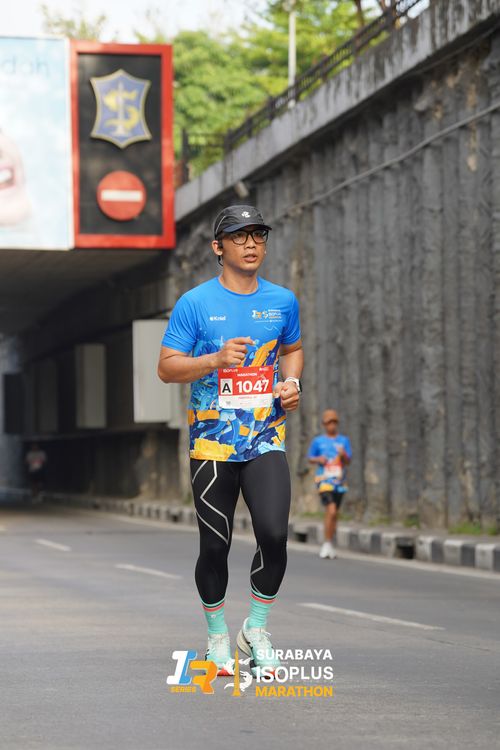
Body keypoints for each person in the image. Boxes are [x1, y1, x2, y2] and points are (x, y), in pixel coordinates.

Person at [158, 204, 303, 678]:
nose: (251, 244)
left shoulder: (283, 301)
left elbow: (293, 350)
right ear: (218, 247)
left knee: (275, 536)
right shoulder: (195, 303)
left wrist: (292, 383)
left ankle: (255, 630)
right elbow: (167, 367)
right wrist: (215, 360)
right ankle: (218, 636)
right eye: (239, 236)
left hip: (265, 437)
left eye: (258, 235)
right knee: (215, 545)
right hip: (212, 444)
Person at [308, 409, 352, 559]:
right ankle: (326, 543)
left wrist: (343, 454)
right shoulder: (318, 441)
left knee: (334, 514)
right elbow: (310, 458)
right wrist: (319, 459)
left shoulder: (344, 441)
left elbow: (348, 461)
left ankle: (330, 542)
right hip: (324, 480)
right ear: (324, 424)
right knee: (331, 510)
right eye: (328, 423)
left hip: (339, 481)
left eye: (333, 422)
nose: (331, 425)